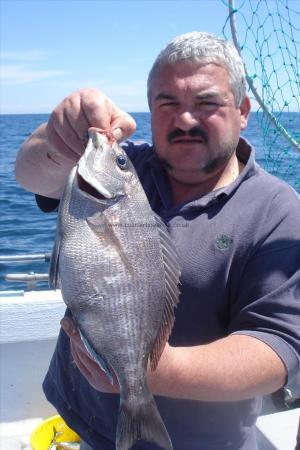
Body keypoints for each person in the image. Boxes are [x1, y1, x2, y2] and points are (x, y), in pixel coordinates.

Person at [15, 32, 300, 450]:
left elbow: (278, 350)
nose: (185, 120)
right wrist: (59, 138)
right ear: (150, 111)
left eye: (207, 104)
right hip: (82, 420)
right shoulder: (131, 166)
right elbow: (30, 174)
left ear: (242, 111)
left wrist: (146, 375)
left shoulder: (279, 210)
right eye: (168, 104)